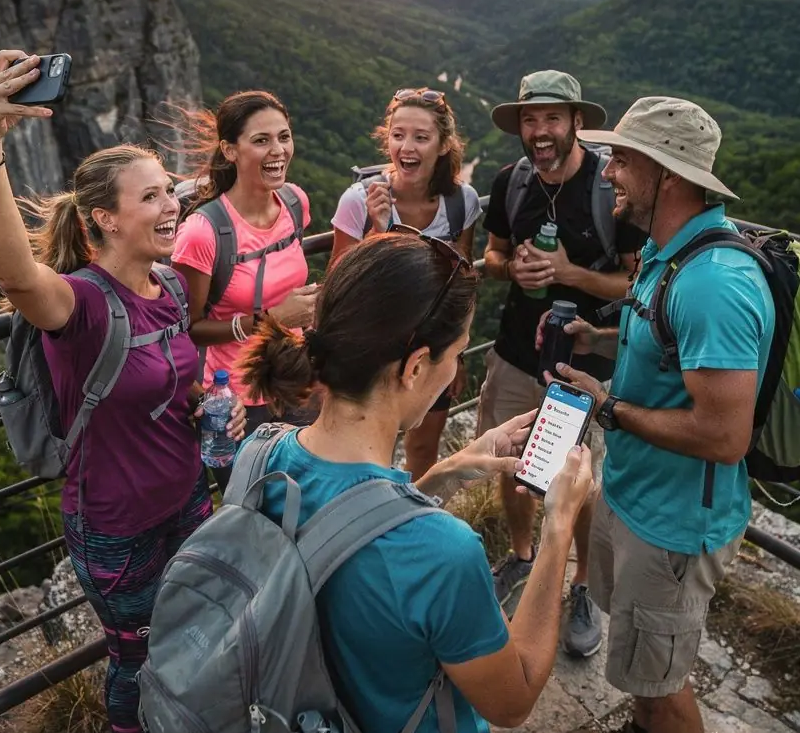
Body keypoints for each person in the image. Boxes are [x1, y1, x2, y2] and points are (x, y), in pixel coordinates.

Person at [241, 228, 592, 733]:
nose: (458, 371)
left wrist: (448, 470)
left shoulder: (264, 459)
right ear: (410, 368)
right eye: (455, 355)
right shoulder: (441, 552)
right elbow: (514, 696)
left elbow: (350, 541)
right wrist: (560, 526)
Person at [0, 50, 246, 733]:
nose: (175, 203)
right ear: (103, 218)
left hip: (188, 502)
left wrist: (210, 406)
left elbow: (170, 380)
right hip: (116, 528)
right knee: (137, 664)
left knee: (199, 638)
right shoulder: (83, 304)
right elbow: (14, 272)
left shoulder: (167, 287)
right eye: (153, 196)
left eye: (172, 189)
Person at [550, 96, 774, 733]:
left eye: (623, 160)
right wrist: (601, 341)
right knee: (644, 654)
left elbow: (724, 435)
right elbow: (661, 341)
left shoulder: (716, 281)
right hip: (636, 492)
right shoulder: (666, 252)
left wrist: (607, 405)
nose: (609, 172)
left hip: (678, 521)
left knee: (664, 676)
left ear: (667, 174)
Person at [480, 70, 642, 649]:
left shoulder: (609, 190)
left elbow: (637, 285)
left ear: (577, 122)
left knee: (577, 479)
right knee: (510, 460)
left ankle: (580, 585)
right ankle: (522, 557)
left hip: (583, 363)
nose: (540, 131)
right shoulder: (512, 183)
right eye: (530, 119)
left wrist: (572, 275)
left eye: (553, 118)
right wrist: (510, 270)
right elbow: (494, 255)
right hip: (516, 351)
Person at [331, 86, 481, 478]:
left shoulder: (461, 202)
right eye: (398, 135)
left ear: (444, 144)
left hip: (432, 348)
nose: (406, 147)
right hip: (373, 348)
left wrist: (455, 356)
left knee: (422, 448)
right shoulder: (359, 201)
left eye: (421, 137)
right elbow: (338, 290)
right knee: (364, 449)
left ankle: (412, 523)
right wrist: (377, 236)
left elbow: (461, 282)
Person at [171, 90, 317, 493]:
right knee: (254, 508)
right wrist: (270, 321)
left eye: (284, 137)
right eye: (261, 140)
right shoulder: (203, 233)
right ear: (229, 150)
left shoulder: (294, 202)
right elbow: (187, 329)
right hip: (237, 402)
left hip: (297, 380)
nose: (278, 151)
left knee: (306, 496)